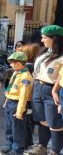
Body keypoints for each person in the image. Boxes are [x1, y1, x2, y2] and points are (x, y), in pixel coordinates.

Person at [28, 25, 63, 155]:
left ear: (54, 39)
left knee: (54, 123)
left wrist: (55, 90)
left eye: (44, 38)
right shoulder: (45, 52)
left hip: (52, 89)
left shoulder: (61, 56)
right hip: (38, 87)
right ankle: (42, 147)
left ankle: (55, 150)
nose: (42, 40)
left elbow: (61, 76)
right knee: (43, 120)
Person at [1, 52, 33, 155]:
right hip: (10, 101)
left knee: (17, 129)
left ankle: (17, 150)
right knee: (9, 127)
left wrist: (20, 111)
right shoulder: (16, 72)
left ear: (18, 63)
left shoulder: (25, 76)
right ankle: (10, 145)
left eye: (12, 63)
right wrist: (6, 100)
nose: (10, 65)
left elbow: (23, 96)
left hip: (17, 104)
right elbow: (10, 88)